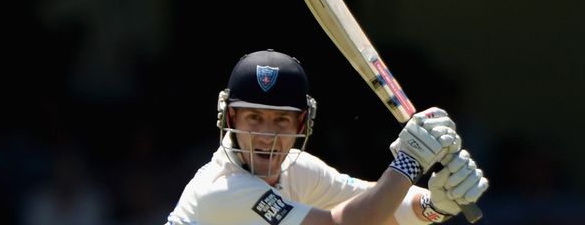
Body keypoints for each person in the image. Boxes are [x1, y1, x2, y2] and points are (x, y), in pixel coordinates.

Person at [165, 49, 489, 225]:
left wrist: (435, 206)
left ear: (301, 124)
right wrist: (409, 162)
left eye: (280, 120)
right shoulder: (222, 189)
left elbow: (382, 206)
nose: (267, 135)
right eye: (254, 118)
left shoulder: (299, 171)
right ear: (231, 117)